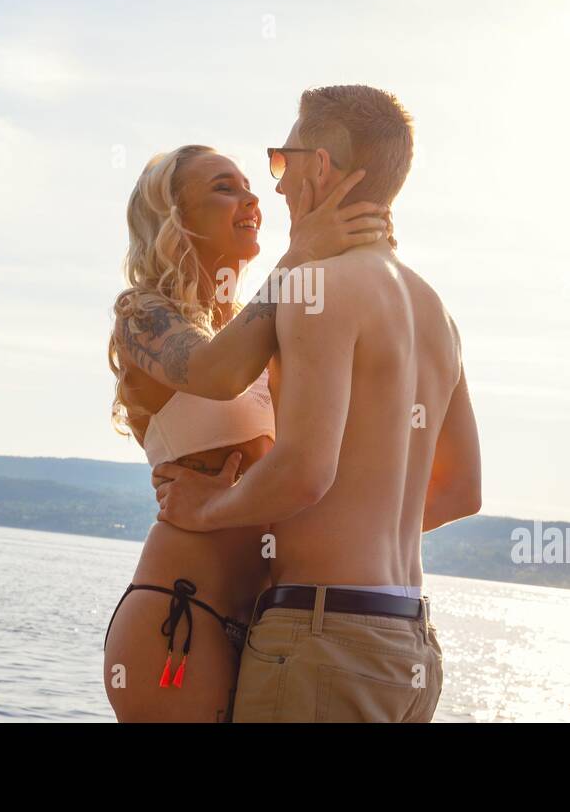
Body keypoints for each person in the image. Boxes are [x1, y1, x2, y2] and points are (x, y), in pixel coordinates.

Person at [152, 85, 483, 722]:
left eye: (282, 162)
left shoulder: (316, 288)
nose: (276, 188)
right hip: (407, 645)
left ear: (320, 167)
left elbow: (306, 471)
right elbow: (461, 491)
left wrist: (209, 510)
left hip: (323, 639)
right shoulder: (434, 310)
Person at [102, 143, 390, 722]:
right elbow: (217, 373)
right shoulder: (142, 314)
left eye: (249, 184)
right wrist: (299, 255)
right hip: (180, 614)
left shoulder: (260, 326)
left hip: (270, 626)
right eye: (223, 186)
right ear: (175, 217)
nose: (252, 196)